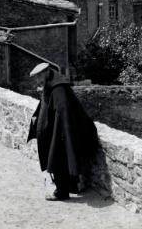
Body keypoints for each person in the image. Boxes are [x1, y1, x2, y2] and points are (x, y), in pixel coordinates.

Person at [27, 62, 99, 201]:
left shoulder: (58, 89)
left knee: (59, 159)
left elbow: (64, 112)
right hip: (56, 130)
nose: (38, 81)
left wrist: (59, 134)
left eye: (39, 77)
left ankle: (61, 192)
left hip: (61, 131)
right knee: (61, 159)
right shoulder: (52, 85)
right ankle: (71, 186)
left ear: (47, 73)